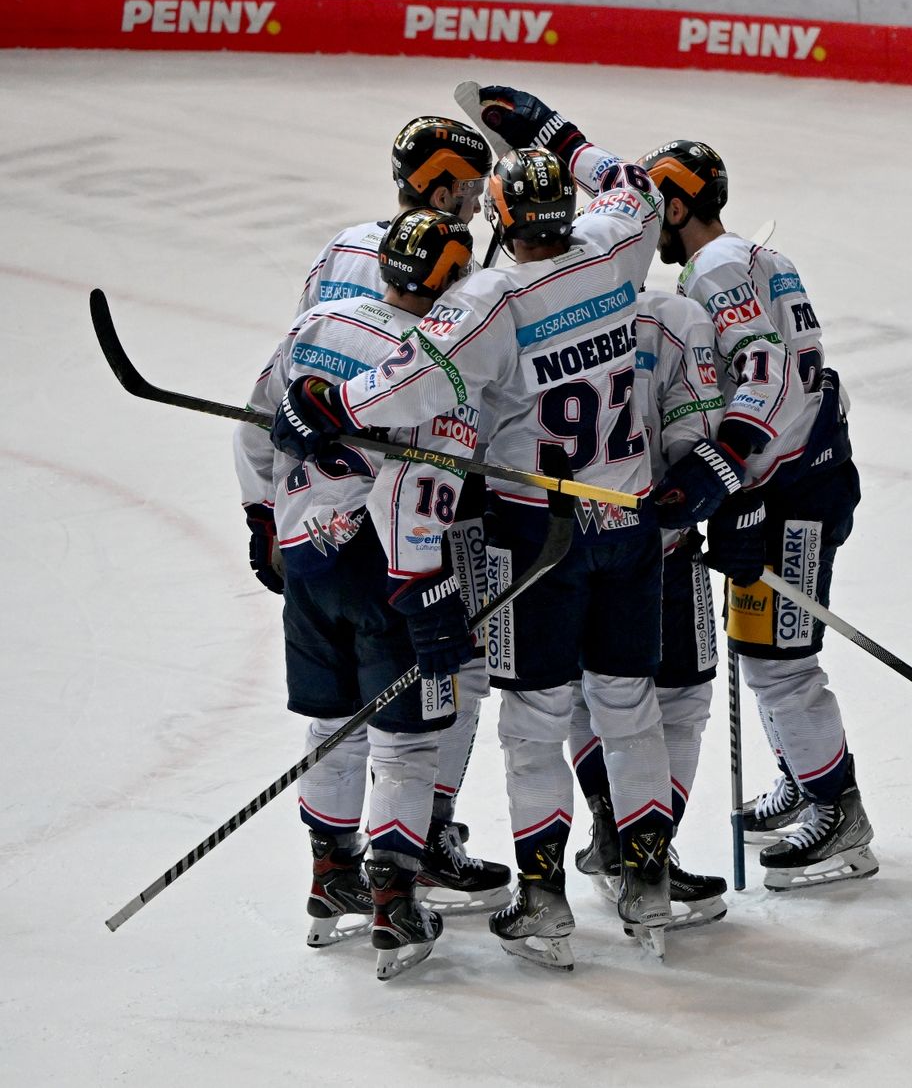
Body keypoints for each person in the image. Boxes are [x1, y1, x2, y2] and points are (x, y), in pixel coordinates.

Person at [272, 86, 680, 967]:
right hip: (629, 521)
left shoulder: (488, 297)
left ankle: (540, 899)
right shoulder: (613, 251)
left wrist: (323, 405)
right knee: (627, 702)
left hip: (539, 535)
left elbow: (411, 383)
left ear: (495, 212)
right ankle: (645, 875)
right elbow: (635, 184)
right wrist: (556, 133)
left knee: (531, 716)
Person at [235, 208, 503, 979]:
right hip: (386, 565)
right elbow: (415, 492)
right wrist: (424, 592)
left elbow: (254, 427)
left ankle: (331, 878)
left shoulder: (317, 320)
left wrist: (264, 521)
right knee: (407, 740)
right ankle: (393, 899)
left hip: (305, 563)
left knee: (330, 725)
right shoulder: (436, 366)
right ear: (451, 279)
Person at [282, 113, 507, 913]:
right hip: (424, 513)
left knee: (345, 698)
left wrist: (266, 513)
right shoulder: (465, 275)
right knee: (448, 677)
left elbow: (289, 378)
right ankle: (413, 846)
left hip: (317, 519)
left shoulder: (348, 249)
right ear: (439, 185)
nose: (480, 207)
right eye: (471, 191)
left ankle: (347, 864)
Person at [639, 137, 874, 891]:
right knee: (762, 649)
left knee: (780, 662)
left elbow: (766, 377)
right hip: (792, 479)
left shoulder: (713, 270)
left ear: (678, 206)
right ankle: (807, 778)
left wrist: (726, 473)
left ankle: (840, 813)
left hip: (795, 491)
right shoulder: (756, 257)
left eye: (655, 209)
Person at [567, 279, 732, 924]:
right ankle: (646, 853)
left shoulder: (532, 302)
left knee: (589, 691)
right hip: (655, 546)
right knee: (681, 696)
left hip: (563, 546)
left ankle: (618, 834)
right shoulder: (675, 315)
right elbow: (698, 440)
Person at [296, 116, 492, 311]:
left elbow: (301, 327)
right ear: (441, 198)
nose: (476, 208)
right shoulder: (446, 268)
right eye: (474, 196)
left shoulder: (342, 245)